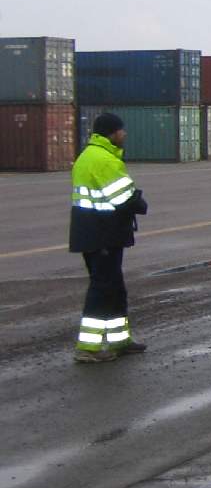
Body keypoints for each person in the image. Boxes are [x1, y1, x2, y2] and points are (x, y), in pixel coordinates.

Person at [70, 112, 149, 363]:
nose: (124, 134)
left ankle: (119, 340)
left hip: (93, 232)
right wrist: (140, 203)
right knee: (102, 288)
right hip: (102, 234)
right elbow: (124, 198)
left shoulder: (88, 155)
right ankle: (88, 348)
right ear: (112, 133)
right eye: (121, 130)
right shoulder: (104, 160)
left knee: (114, 288)